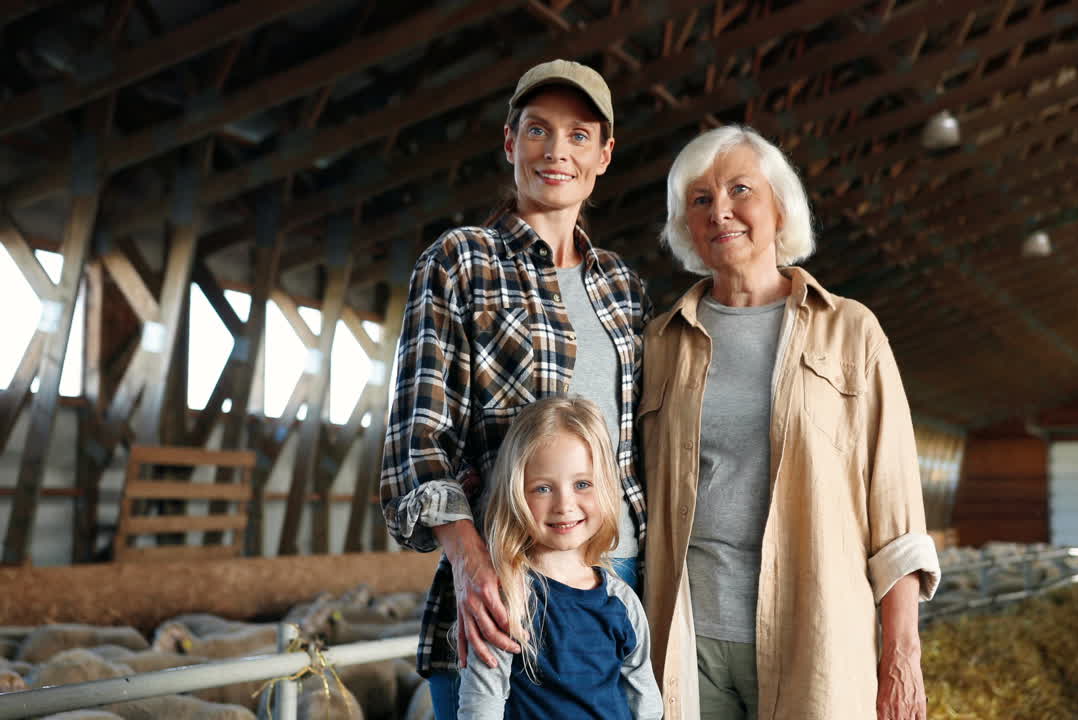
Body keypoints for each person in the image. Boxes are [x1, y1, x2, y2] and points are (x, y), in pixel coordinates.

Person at [638, 125, 942, 720]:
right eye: (699, 199)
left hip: (815, 635)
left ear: (779, 206)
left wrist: (901, 653)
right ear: (687, 227)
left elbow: (898, 511)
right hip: (687, 640)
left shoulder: (850, 331)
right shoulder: (661, 342)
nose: (720, 210)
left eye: (739, 190)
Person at [380, 59, 651, 720]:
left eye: (579, 135)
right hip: (507, 581)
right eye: (538, 130)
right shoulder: (460, 261)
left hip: (618, 581)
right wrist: (474, 566)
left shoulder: (624, 288)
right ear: (510, 143)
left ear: (605, 155)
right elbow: (416, 441)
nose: (557, 151)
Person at [456, 396, 662, 719]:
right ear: (516, 493)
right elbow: (481, 705)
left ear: (605, 487)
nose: (564, 504)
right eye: (542, 488)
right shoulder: (507, 599)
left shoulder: (622, 601)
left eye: (582, 484)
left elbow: (646, 699)